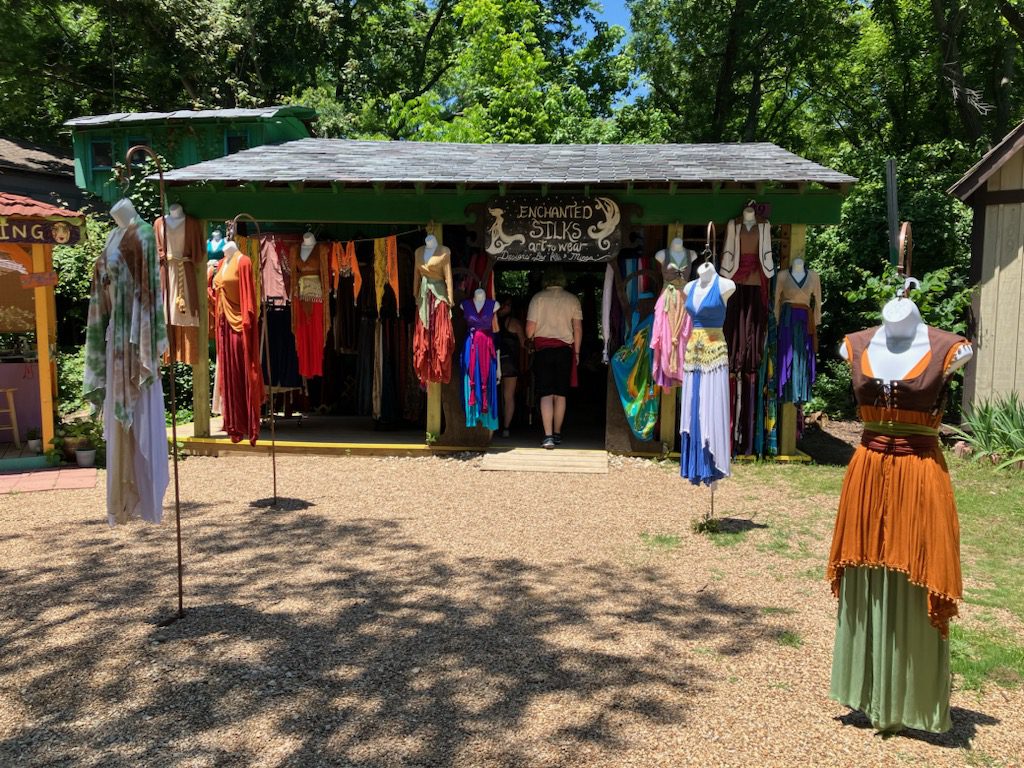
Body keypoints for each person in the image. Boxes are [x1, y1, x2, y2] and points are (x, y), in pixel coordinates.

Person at [526, 266, 583, 449]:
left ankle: (548, 436)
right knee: (561, 394)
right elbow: (578, 329)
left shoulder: (538, 299)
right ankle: (557, 433)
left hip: (543, 350)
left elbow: (529, 330)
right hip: (565, 351)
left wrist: (530, 338)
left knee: (545, 393)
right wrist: (577, 352)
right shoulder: (572, 299)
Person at [496, 297, 526, 437]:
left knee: (492, 394)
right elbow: (523, 344)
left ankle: (492, 426)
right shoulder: (514, 323)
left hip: (492, 361)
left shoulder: (490, 319)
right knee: (508, 396)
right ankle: (506, 428)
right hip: (508, 363)